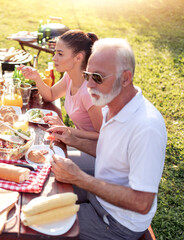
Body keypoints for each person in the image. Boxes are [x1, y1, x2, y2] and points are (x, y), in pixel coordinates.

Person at [49, 38, 167, 239]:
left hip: (116, 222)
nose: (89, 84)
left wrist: (79, 178)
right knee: (43, 183)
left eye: (97, 77)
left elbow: (142, 202)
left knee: (41, 228)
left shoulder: (146, 127)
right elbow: (111, 152)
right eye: (87, 75)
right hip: (99, 197)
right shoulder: (112, 104)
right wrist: (73, 140)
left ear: (125, 78)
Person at [19, 30, 103, 175]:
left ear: (78, 58)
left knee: (44, 165)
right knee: (32, 152)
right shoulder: (70, 77)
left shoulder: (88, 92)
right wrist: (37, 78)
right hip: (78, 143)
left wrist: (66, 129)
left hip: (99, 155)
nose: (54, 58)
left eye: (60, 54)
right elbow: (50, 95)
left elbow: (102, 134)